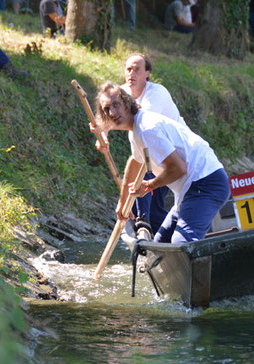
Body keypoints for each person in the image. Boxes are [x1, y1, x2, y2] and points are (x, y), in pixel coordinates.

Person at [93, 83, 230, 244]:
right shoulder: (136, 131)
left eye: (116, 105)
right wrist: (123, 202)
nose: (113, 112)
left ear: (127, 102)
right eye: (107, 109)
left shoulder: (147, 128)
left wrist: (150, 185)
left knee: (181, 243)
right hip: (189, 189)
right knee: (160, 245)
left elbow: (178, 168)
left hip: (206, 182)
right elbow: (135, 162)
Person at [120, 53, 187, 234]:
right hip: (153, 152)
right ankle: (156, 237)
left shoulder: (156, 93)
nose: (131, 74)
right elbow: (105, 115)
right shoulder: (122, 93)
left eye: (137, 70)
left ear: (147, 73)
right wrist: (100, 135)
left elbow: (142, 124)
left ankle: (154, 227)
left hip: (174, 153)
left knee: (150, 202)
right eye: (128, 69)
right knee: (135, 207)